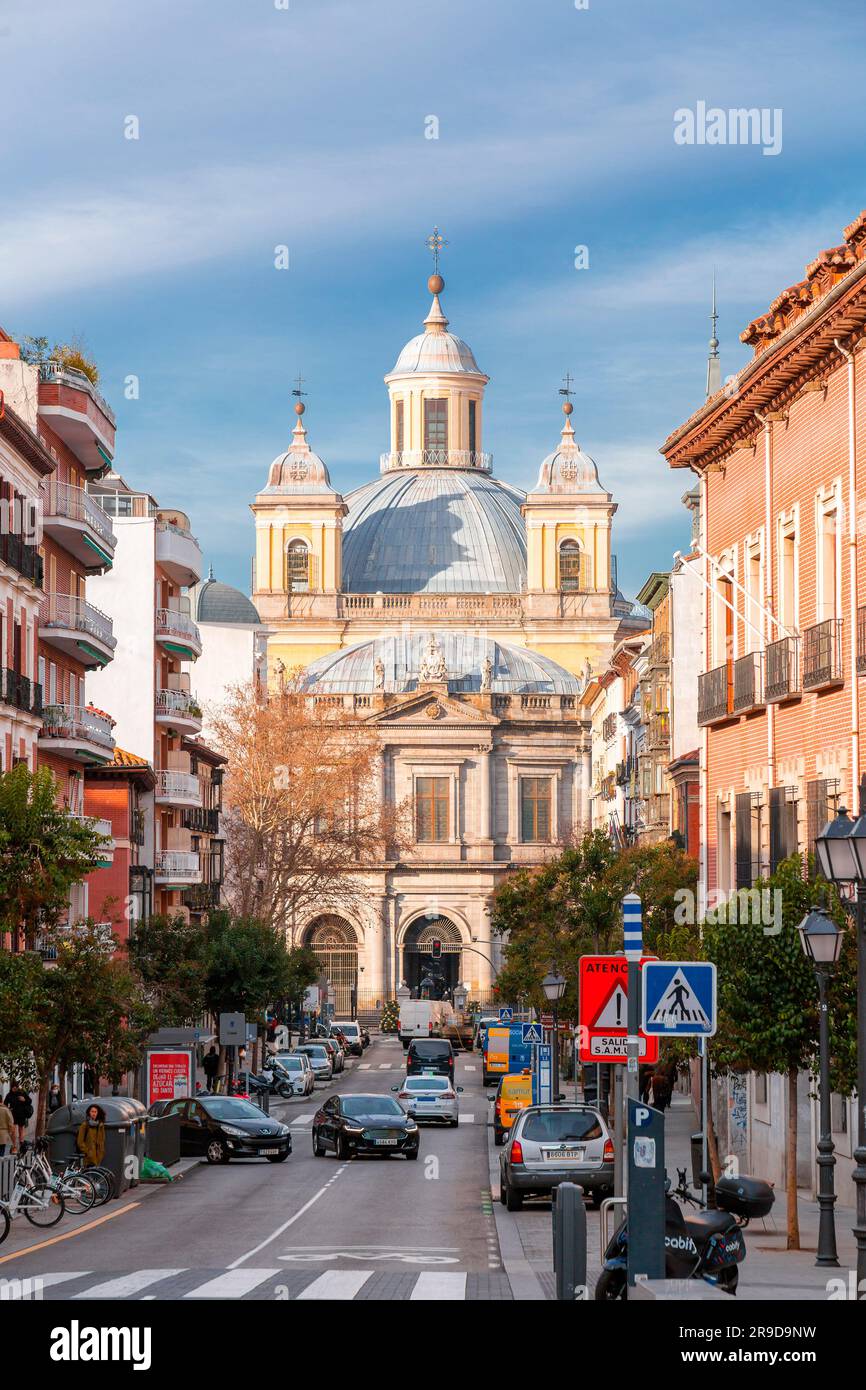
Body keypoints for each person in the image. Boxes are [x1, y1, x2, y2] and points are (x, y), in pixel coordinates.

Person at [4, 1082, 33, 1148]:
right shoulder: (9, 1095)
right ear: (11, 1087)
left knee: (21, 1129)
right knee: (13, 1130)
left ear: (17, 1087)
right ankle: (14, 1145)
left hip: (22, 1114)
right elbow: (5, 1104)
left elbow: (29, 1101)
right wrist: (8, 1109)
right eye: (13, 1086)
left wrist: (24, 1100)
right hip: (13, 1114)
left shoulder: (22, 1093)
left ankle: (21, 1144)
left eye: (16, 1086)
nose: (14, 1088)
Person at [76, 1103, 106, 1167]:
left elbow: (102, 1140)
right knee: (88, 1175)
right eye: (92, 1111)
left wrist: (101, 1151)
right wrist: (87, 1152)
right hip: (88, 1158)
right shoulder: (85, 1125)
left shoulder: (100, 1125)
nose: (94, 1113)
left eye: (95, 1112)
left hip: (98, 1157)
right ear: (89, 1112)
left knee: (96, 1175)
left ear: (98, 1113)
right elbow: (80, 1142)